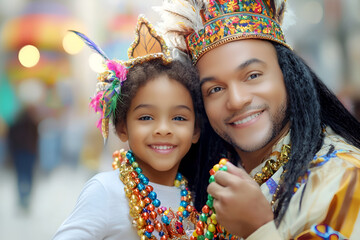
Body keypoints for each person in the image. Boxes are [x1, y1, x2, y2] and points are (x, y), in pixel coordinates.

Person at [155, 0, 360, 239]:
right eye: (215, 89)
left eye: (253, 75)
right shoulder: (216, 186)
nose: (237, 100)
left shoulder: (345, 178)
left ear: (287, 74)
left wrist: (259, 228)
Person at [53, 15, 201, 240]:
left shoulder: (195, 197)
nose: (163, 129)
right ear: (122, 128)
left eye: (179, 118)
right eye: (146, 117)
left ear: (196, 131)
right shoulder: (106, 191)